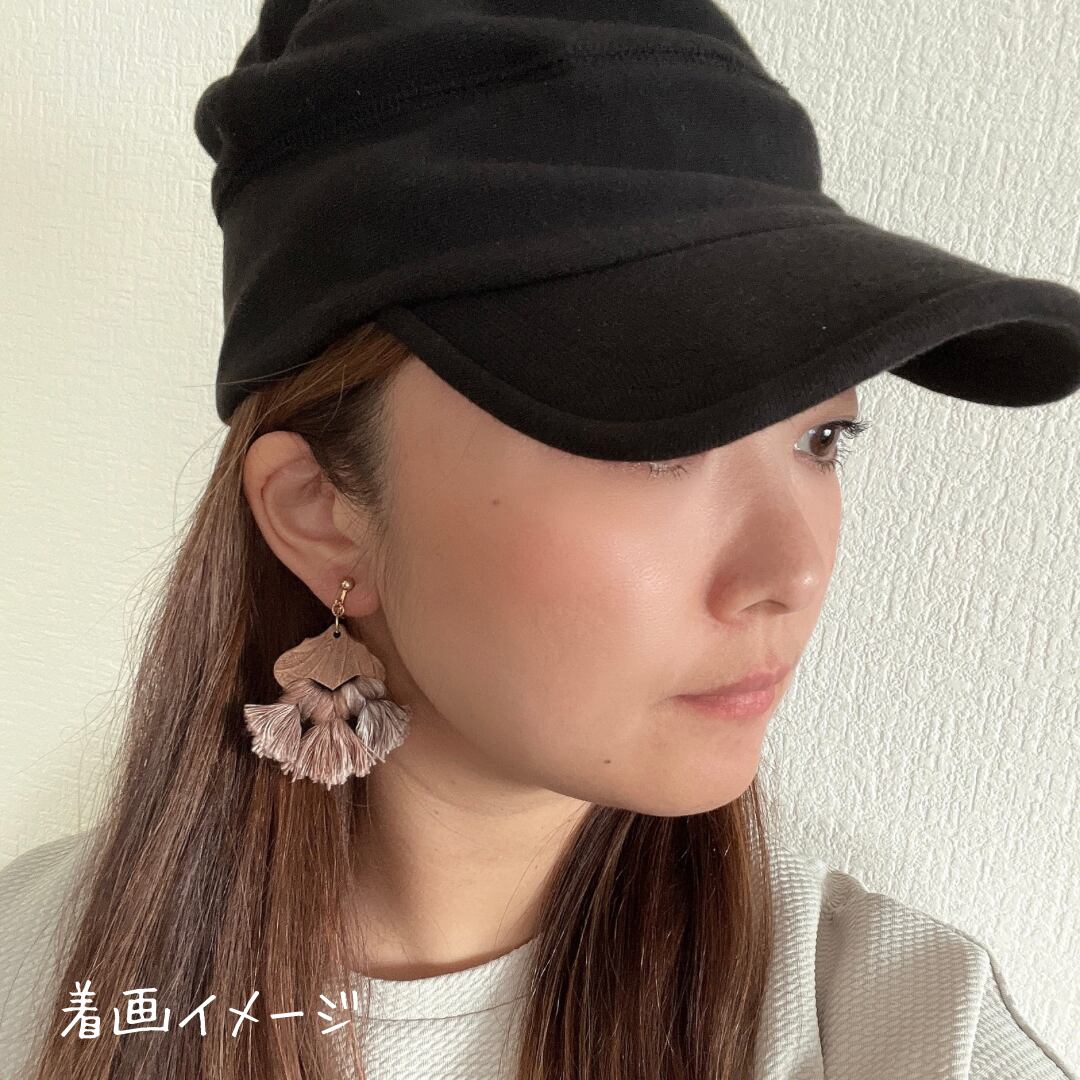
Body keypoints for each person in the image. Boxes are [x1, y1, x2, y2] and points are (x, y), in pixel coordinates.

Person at [2, 2, 1078, 1078]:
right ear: (321, 510)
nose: (790, 572)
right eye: (661, 444)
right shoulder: (32, 979)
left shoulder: (902, 1029)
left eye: (821, 438)